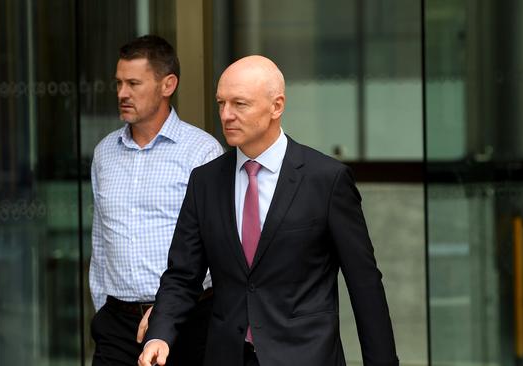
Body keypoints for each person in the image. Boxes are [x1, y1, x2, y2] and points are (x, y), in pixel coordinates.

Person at [138, 55, 399, 366]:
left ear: (277, 106)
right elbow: (182, 275)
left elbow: (364, 283)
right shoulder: (204, 182)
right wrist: (159, 335)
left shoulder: (326, 180)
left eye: (240, 104)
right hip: (228, 355)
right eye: (221, 103)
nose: (226, 115)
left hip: (306, 355)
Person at [88, 35, 223, 366]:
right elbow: (100, 240)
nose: (122, 93)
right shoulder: (104, 153)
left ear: (168, 85)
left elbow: (217, 247)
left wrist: (169, 309)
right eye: (119, 83)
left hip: (186, 322)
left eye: (134, 83)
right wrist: (103, 308)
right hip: (117, 325)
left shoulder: (202, 152)